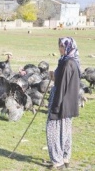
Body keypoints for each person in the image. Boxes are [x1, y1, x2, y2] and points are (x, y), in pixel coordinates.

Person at [46, 37, 81, 170]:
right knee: (65, 130)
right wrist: (53, 76)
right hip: (69, 102)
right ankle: (65, 157)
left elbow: (62, 87)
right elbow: (66, 81)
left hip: (61, 101)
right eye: (59, 45)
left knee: (52, 130)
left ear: (68, 46)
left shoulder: (67, 63)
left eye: (62, 46)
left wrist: (56, 106)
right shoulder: (73, 61)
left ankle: (57, 161)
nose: (59, 48)